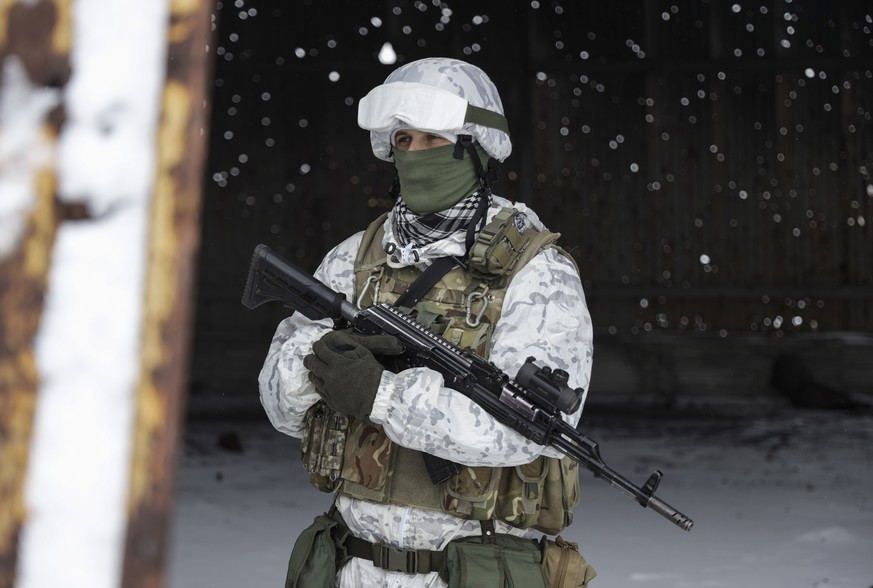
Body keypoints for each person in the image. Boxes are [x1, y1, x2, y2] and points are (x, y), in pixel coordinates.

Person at [259, 57, 596, 587]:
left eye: (433, 140)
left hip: (470, 571)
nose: (414, 155)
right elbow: (280, 409)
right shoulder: (354, 259)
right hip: (352, 567)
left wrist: (382, 395)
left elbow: (531, 433)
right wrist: (324, 359)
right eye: (403, 141)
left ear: (475, 148)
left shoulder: (537, 274)